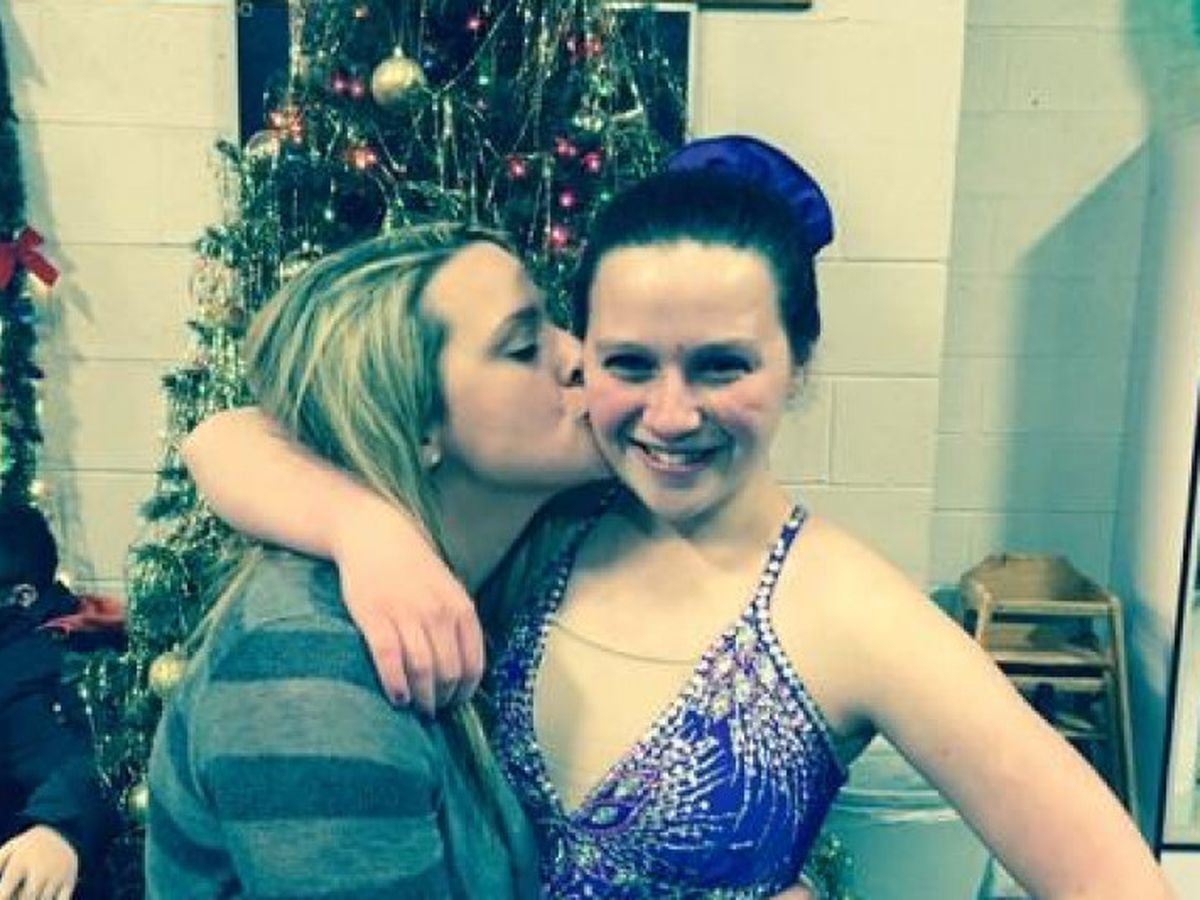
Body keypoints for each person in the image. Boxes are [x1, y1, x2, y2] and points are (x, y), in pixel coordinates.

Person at [182, 136, 1170, 898]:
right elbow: (231, 436)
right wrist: (366, 529)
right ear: (586, 357)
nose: (669, 415)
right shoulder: (549, 523)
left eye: (722, 366)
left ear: (798, 366)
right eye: (628, 363)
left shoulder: (857, 611)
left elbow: (1115, 880)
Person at [144, 224, 606, 899]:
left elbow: (228, 435)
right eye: (523, 346)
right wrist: (357, 525)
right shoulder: (312, 668)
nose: (580, 356)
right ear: (418, 427)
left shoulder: (531, 557)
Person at [0, 504, 118, 900]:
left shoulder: (33, 668)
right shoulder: (80, 619)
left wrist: (58, 829)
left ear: (23, 596)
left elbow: (102, 760)